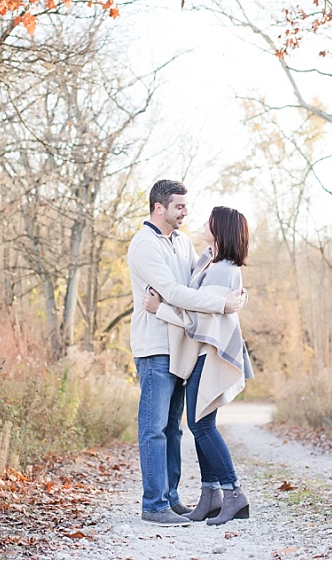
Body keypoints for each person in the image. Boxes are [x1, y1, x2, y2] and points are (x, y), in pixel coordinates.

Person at [127, 180, 247, 526]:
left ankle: (171, 499)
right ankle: (153, 504)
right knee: (153, 428)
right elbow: (175, 293)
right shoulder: (145, 246)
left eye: (185, 205)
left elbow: (209, 277)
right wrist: (223, 304)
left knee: (175, 429)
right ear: (158, 207)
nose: (185, 212)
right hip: (154, 347)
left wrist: (237, 296)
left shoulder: (182, 243)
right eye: (179, 206)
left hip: (182, 347)